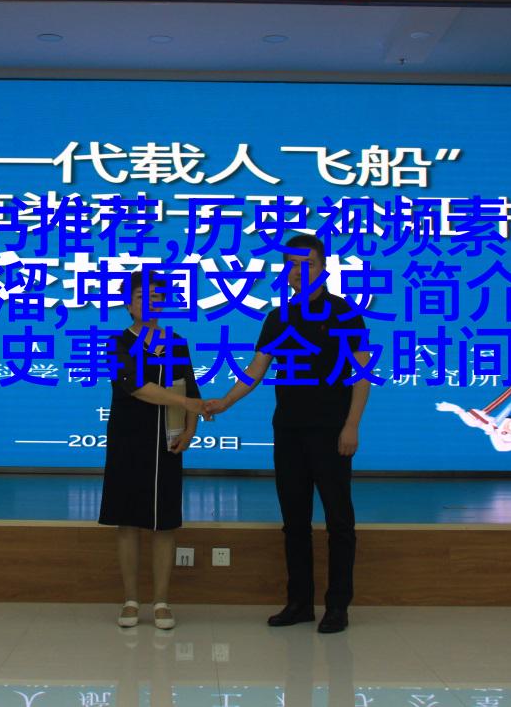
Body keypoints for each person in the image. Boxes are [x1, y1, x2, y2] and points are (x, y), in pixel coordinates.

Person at [205, 234, 373, 633]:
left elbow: (362, 374)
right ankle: (299, 602)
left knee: (339, 521)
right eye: (292, 265)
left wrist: (352, 425)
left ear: (324, 268)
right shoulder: (278, 317)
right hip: (289, 431)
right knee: (294, 522)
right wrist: (224, 402)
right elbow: (256, 369)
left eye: (307, 264)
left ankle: (338, 605)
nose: (299, 272)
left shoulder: (345, 314)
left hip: (332, 431)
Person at [99, 269, 208, 630]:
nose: (150, 303)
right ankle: (131, 601)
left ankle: (161, 602)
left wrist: (190, 429)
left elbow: (190, 387)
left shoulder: (177, 342)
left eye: (157, 297)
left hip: (168, 442)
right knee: (128, 521)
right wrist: (187, 404)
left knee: (165, 523)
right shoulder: (117, 343)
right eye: (141, 297)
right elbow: (135, 387)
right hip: (128, 439)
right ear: (128, 303)